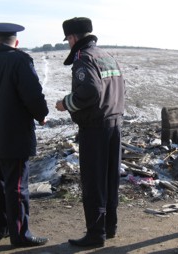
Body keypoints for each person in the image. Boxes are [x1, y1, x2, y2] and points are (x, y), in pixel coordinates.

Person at [0, 22, 49, 247]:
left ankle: (1, 229)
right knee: (17, 186)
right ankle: (20, 235)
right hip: (15, 135)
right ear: (16, 42)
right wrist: (41, 115)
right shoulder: (20, 61)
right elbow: (33, 94)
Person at [56, 17, 125, 248]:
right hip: (115, 123)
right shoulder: (106, 56)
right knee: (110, 179)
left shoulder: (83, 58)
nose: (68, 43)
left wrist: (66, 103)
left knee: (94, 181)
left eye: (68, 39)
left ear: (73, 37)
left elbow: (90, 92)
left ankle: (95, 235)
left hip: (95, 128)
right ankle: (109, 227)